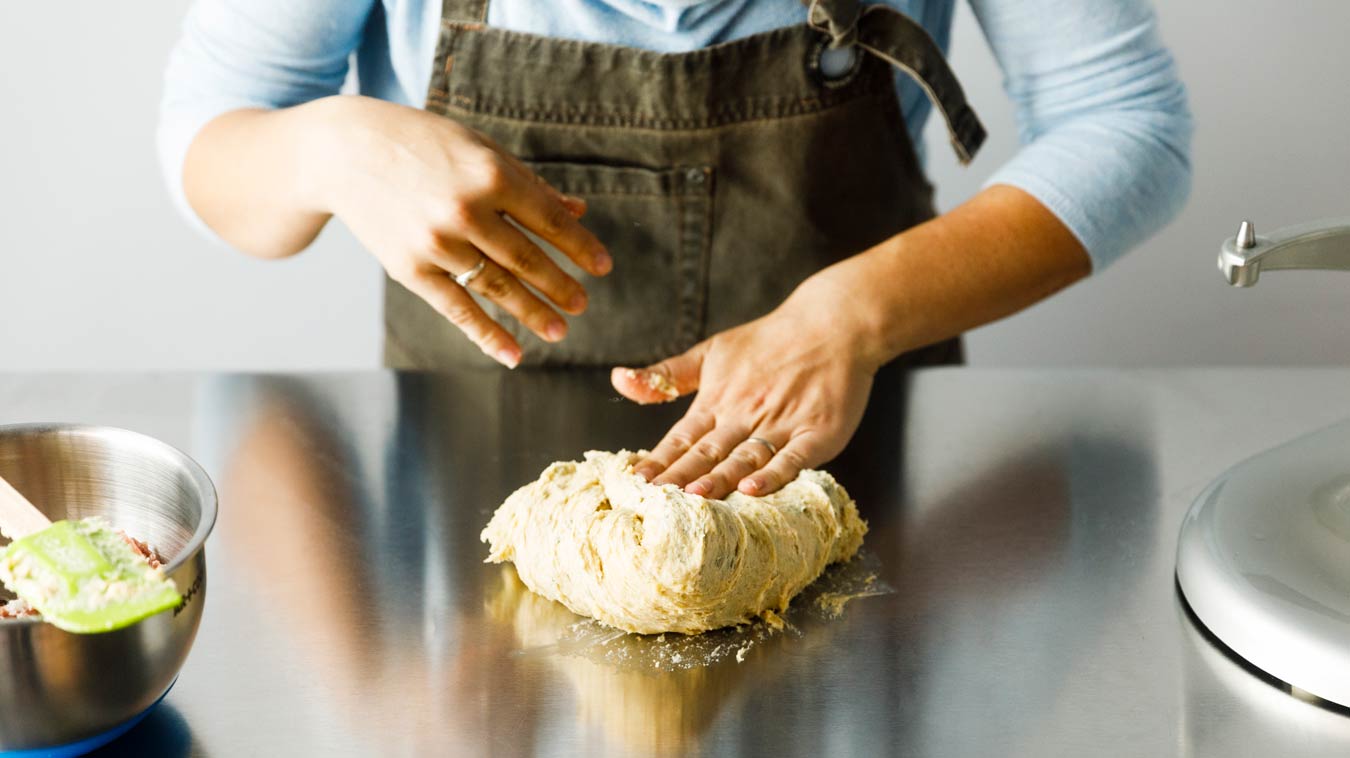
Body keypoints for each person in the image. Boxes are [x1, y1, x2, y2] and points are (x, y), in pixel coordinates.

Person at [159, 0, 1191, 500]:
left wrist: (855, 315)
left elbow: (1131, 123)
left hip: (856, 479)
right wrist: (327, 147)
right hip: (458, 504)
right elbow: (209, 137)